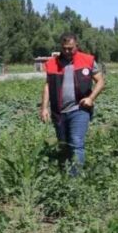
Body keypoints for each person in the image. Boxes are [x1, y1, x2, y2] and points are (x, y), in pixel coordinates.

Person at [40, 33, 105, 176]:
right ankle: (65, 175)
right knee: (64, 145)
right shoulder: (52, 63)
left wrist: (91, 98)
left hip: (79, 109)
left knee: (76, 142)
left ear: (77, 46)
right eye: (64, 48)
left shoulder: (87, 60)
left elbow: (100, 81)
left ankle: (75, 179)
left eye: (70, 48)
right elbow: (47, 86)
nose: (67, 51)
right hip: (59, 112)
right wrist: (44, 108)